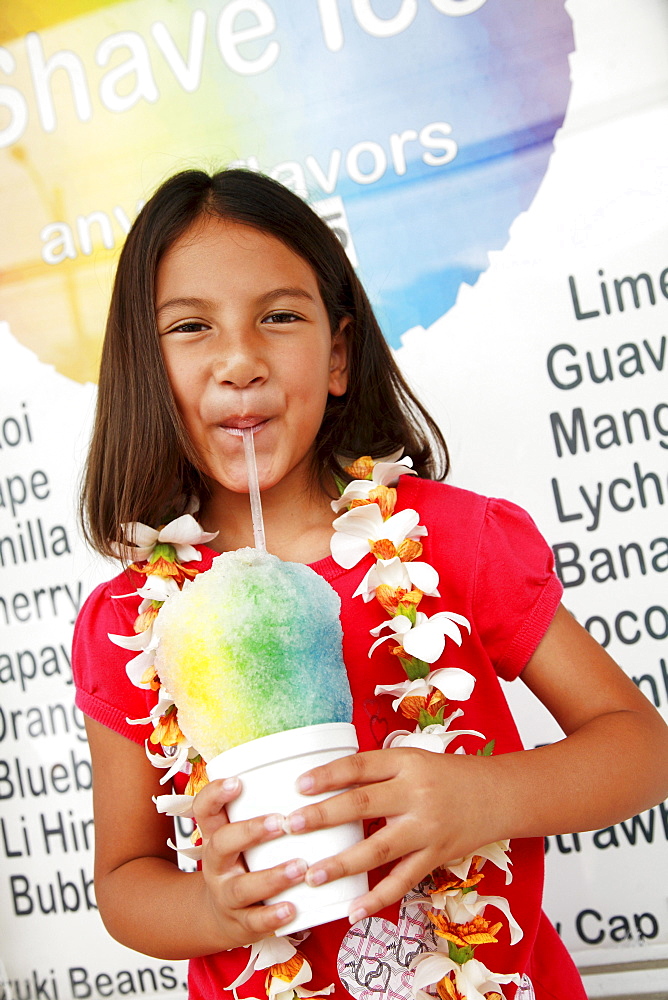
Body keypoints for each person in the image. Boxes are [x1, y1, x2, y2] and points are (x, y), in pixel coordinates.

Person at [73, 167, 668, 1000]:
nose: (240, 360)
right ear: (145, 367)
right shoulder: (129, 628)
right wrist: (214, 910)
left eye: (280, 317)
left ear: (340, 355)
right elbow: (126, 880)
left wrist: (488, 796)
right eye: (191, 327)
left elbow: (641, 749)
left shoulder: (454, 541)